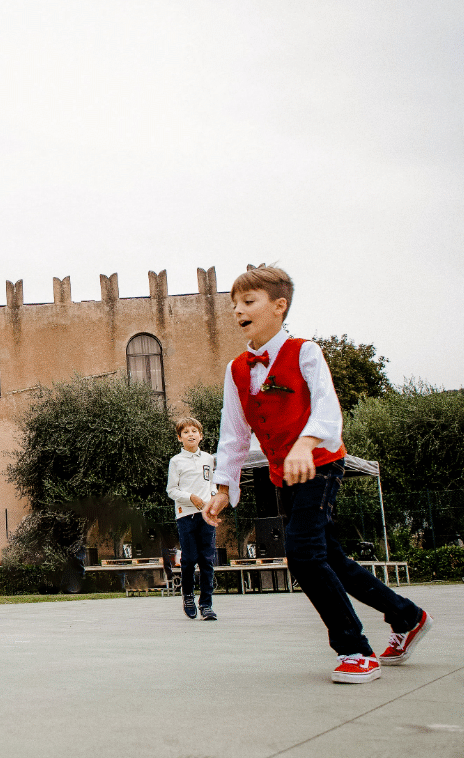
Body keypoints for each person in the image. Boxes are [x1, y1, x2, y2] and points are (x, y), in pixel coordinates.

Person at [203, 265, 431, 684]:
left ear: (279, 306)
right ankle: (406, 616)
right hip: (282, 473)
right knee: (331, 558)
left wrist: (305, 444)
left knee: (304, 554)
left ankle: (355, 650)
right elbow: (233, 434)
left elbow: (327, 407)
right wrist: (222, 488)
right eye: (234, 304)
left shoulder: (304, 351)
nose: (237, 310)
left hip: (322, 464)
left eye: (248, 301)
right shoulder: (236, 369)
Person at [166, 417, 218, 621]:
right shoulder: (176, 461)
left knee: (207, 560)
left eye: (194, 431)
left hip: (207, 515)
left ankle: (206, 605)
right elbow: (172, 490)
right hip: (186, 515)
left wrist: (212, 499)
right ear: (179, 438)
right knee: (189, 559)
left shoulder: (209, 459)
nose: (191, 435)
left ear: (201, 436)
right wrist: (191, 498)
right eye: (186, 432)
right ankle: (188, 595)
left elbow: (212, 483)